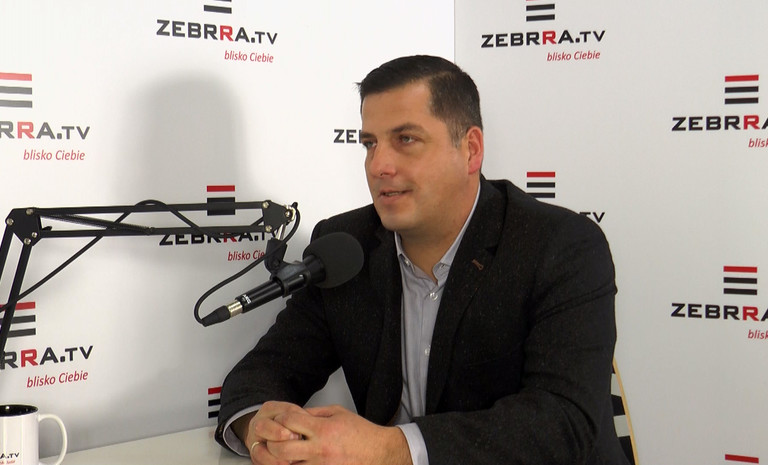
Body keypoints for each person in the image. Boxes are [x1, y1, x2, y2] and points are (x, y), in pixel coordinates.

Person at [215, 55, 629, 465]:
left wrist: (390, 449)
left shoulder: (561, 245)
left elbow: (564, 421)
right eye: (370, 144)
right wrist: (260, 428)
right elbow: (264, 372)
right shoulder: (344, 244)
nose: (379, 165)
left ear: (470, 149)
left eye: (406, 140)